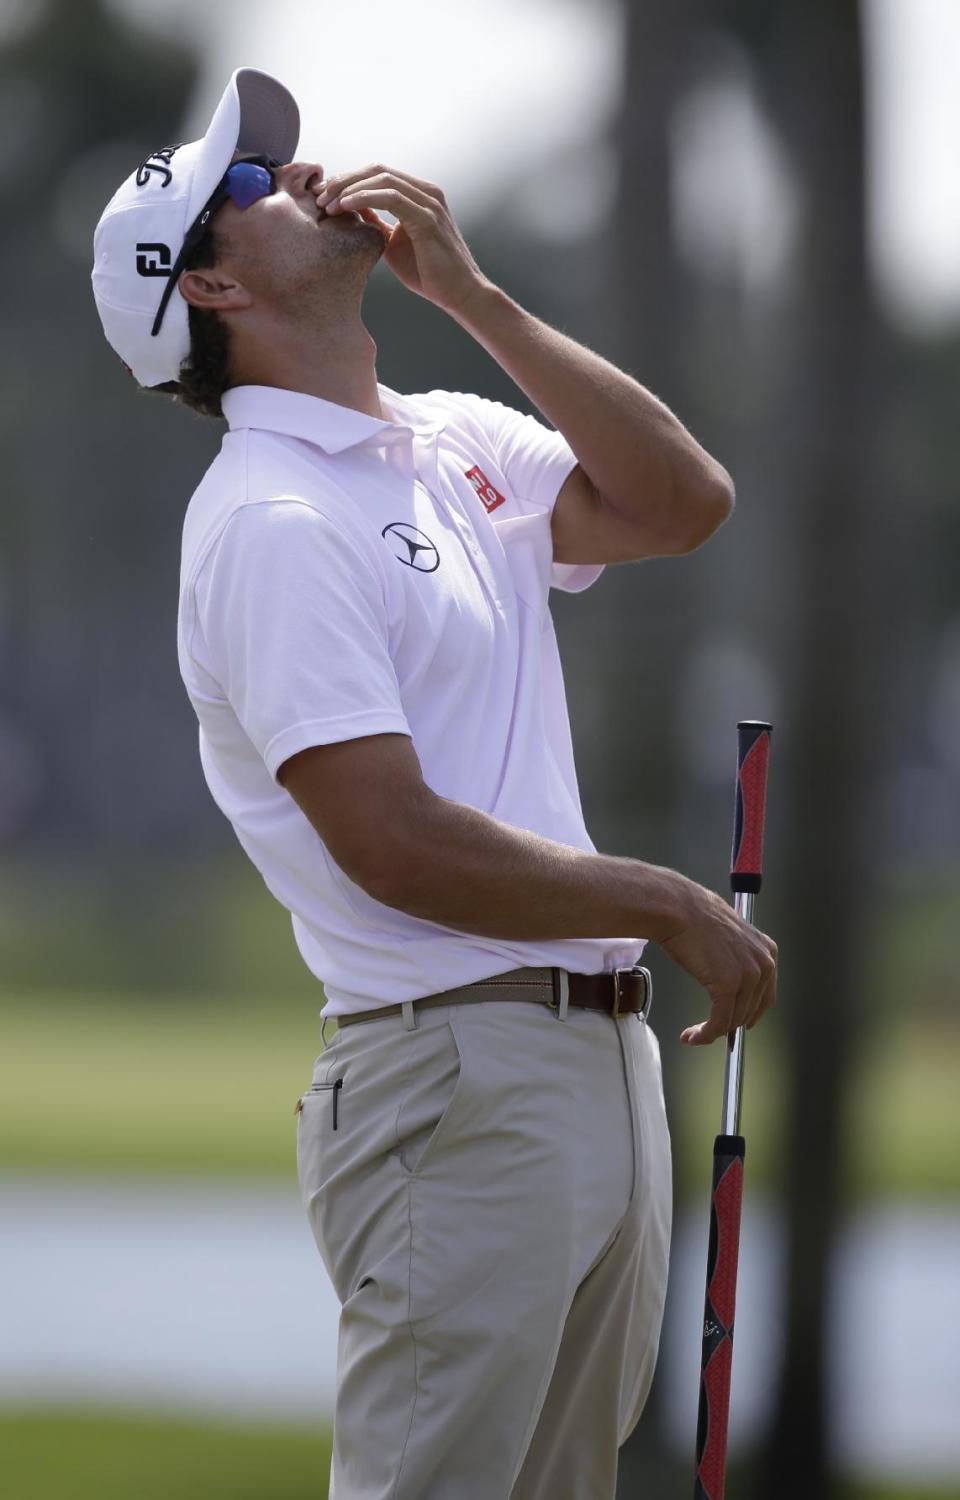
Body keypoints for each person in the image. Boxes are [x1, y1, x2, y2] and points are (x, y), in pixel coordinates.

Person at [92, 66, 776, 1500]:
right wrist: (662, 900)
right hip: (450, 1078)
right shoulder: (270, 522)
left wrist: (474, 295)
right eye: (249, 189)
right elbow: (390, 841)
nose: (298, 179)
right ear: (208, 293)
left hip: (591, 1068)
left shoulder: (449, 437)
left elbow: (680, 501)